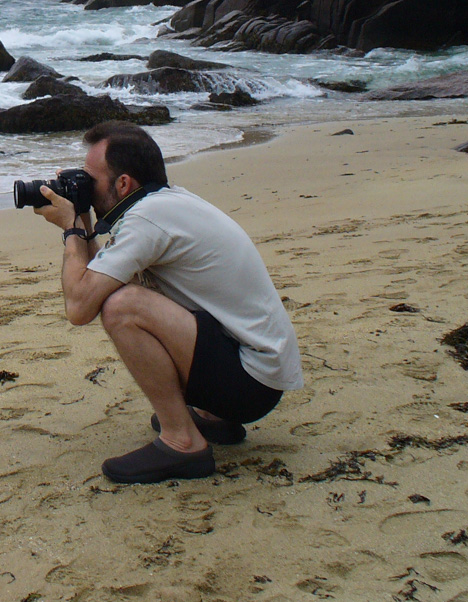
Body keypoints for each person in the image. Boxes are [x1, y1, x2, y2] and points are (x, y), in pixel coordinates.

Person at [33, 120, 302, 484]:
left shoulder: (148, 219)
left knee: (123, 307)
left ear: (124, 183)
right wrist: (82, 216)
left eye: (90, 180)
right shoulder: (168, 203)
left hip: (251, 382)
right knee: (119, 295)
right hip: (257, 372)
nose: (85, 187)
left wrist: (71, 231)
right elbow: (101, 279)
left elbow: (80, 307)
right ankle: (211, 419)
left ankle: (183, 442)